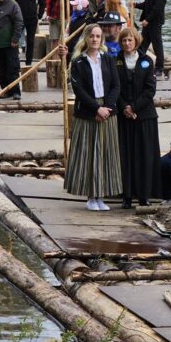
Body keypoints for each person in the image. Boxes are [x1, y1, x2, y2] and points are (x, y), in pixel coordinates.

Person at [65, 24, 122, 211]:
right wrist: (96, 108)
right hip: (88, 112)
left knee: (105, 154)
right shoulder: (78, 62)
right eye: (92, 36)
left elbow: (116, 85)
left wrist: (107, 107)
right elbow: (79, 90)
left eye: (98, 36)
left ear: (102, 39)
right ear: (86, 38)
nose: (95, 39)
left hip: (107, 111)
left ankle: (101, 195)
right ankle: (90, 196)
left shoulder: (108, 59)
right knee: (89, 154)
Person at [116, 27, 160, 208]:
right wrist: (125, 107)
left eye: (130, 40)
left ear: (136, 41)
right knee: (125, 155)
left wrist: (134, 107)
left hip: (144, 115)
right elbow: (114, 87)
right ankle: (127, 195)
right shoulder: (115, 61)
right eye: (124, 40)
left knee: (144, 155)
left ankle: (144, 195)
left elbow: (150, 89)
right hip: (123, 114)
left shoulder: (146, 61)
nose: (127, 43)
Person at [135, 0, 167, 76]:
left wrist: (148, 20)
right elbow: (147, 5)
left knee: (157, 45)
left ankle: (159, 68)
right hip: (147, 23)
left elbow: (157, 8)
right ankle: (139, 64)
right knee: (142, 44)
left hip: (155, 22)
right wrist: (135, 5)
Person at [10, 0, 44, 65]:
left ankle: (28, 62)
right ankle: (14, 60)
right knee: (15, 39)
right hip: (19, 19)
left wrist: (40, 15)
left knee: (30, 41)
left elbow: (42, 1)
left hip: (32, 19)